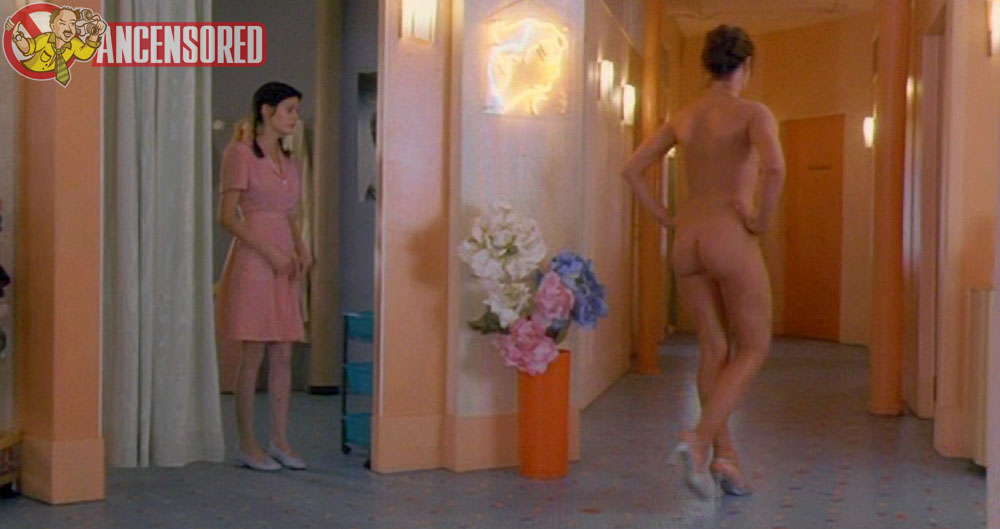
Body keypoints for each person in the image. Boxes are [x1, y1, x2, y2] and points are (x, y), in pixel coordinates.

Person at [621, 25, 785, 498]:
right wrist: (761, 220)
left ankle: (725, 458)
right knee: (753, 346)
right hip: (728, 235)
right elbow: (775, 167)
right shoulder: (752, 113)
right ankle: (698, 441)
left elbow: (632, 169)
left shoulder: (684, 116)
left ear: (707, 65)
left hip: (688, 239)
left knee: (714, 349)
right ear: (746, 65)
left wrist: (665, 217)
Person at [218, 82, 312, 472]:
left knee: (284, 351)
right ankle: (246, 442)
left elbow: (289, 215)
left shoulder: (288, 160)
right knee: (253, 352)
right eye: (289, 110)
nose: (294, 117)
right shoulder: (240, 154)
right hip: (256, 261)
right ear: (266, 111)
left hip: (284, 261)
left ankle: (280, 439)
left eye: (296, 111)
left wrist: (301, 248)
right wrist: (269, 252)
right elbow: (227, 217)